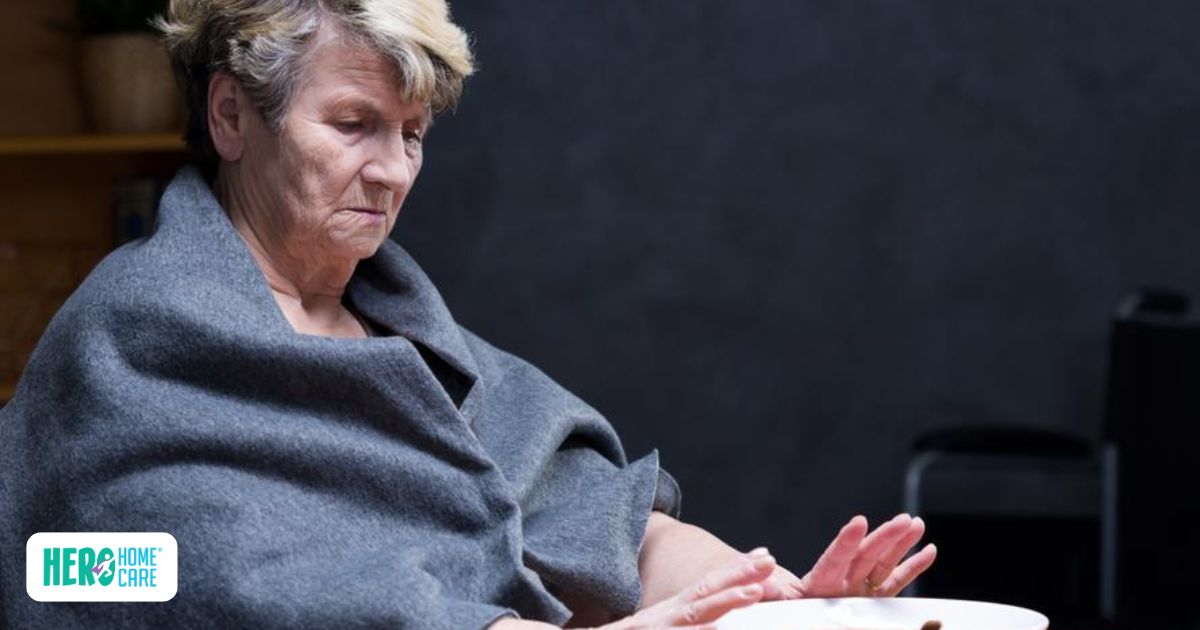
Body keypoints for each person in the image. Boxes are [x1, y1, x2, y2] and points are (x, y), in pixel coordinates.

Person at [0, 1, 935, 628]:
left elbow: (619, 528)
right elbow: (157, 573)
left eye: (412, 135)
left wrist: (776, 607)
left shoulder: (425, 346)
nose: (394, 171)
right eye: (354, 123)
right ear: (233, 117)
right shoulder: (133, 343)